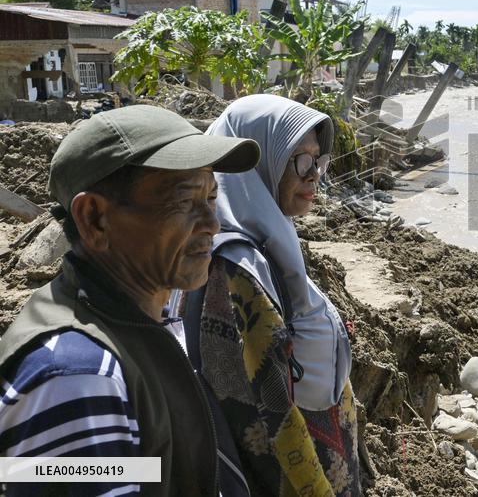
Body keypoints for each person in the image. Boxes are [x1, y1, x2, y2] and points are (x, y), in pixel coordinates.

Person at [0, 105, 260, 496]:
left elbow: (146, 471)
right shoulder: (79, 376)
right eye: (184, 201)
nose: (212, 224)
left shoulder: (145, 321)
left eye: (211, 198)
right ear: (95, 219)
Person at [185, 94, 360, 496]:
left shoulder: (274, 244)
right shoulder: (235, 268)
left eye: (319, 161)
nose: (314, 174)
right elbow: (271, 416)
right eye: (299, 159)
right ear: (258, 165)